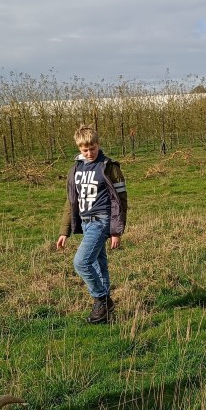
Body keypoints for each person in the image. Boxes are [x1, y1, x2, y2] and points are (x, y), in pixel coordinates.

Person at [56, 126, 128, 324]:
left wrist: (116, 231)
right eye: (84, 150)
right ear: (79, 148)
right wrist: (64, 231)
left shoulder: (109, 167)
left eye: (92, 148)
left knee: (81, 262)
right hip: (86, 223)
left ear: (98, 144)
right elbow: (70, 202)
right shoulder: (76, 170)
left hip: (102, 220)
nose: (89, 153)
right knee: (99, 264)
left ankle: (101, 299)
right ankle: (105, 313)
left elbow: (121, 201)